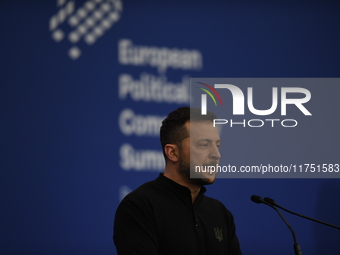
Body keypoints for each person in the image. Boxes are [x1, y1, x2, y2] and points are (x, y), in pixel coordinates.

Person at [113, 107, 242, 255]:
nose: (216, 154)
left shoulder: (220, 213)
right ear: (172, 153)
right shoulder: (140, 207)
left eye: (217, 145)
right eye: (204, 145)